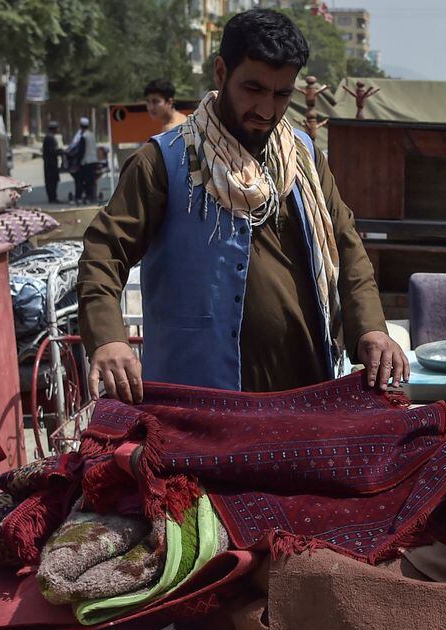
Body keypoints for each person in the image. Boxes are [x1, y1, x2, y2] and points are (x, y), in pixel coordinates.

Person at [79, 9, 406, 402]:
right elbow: (104, 250)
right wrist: (108, 339)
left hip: (307, 389)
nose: (267, 110)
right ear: (221, 73)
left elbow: (347, 246)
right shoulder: (163, 161)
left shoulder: (304, 157)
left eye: (282, 94)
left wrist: (371, 328)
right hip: (197, 402)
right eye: (253, 89)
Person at [67, 117, 100, 203]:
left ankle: (80, 197)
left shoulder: (83, 136)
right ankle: (90, 196)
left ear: (81, 126)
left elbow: (82, 151)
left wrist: (77, 163)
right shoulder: (91, 135)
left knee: (80, 180)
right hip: (94, 161)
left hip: (86, 162)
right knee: (91, 181)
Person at [41, 120, 63, 204]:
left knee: (51, 180)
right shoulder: (50, 138)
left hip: (49, 163)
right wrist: (60, 151)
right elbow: (52, 151)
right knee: (52, 181)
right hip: (51, 163)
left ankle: (52, 197)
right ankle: (52, 198)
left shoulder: (49, 137)